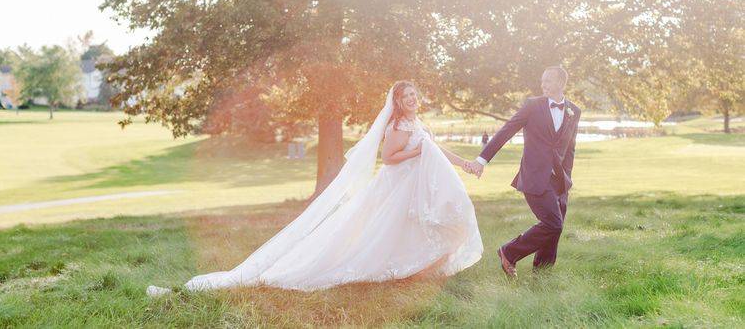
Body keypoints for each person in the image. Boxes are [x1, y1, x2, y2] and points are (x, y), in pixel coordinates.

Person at [147, 80, 483, 295]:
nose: (412, 99)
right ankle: (394, 270)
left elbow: (433, 150)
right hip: (396, 186)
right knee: (379, 233)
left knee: (408, 230)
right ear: (397, 102)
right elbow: (391, 158)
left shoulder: (417, 122)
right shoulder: (396, 124)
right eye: (406, 96)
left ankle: (417, 271)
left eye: (414, 95)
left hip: (413, 187)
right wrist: (418, 150)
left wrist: (465, 163)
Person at [467, 66, 581, 277]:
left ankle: (542, 275)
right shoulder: (532, 106)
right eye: (542, 80)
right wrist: (481, 160)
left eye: (548, 80)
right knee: (553, 224)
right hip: (534, 176)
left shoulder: (574, 111)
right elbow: (506, 131)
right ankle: (508, 252)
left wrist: (567, 179)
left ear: (561, 83)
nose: (543, 84)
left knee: (555, 229)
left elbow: (570, 148)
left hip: (560, 180)